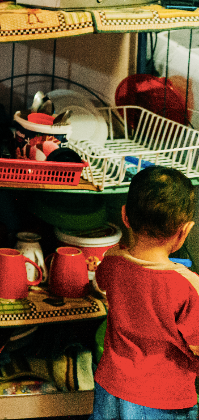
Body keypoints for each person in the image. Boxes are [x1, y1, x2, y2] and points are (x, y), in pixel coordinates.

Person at [93, 166, 199, 419]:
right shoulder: (188, 285)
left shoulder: (112, 262)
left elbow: (100, 284)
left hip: (111, 385)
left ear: (125, 216)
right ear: (184, 230)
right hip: (163, 398)